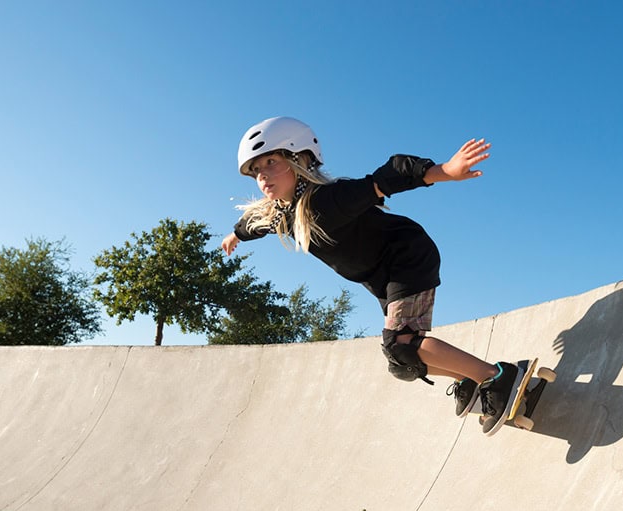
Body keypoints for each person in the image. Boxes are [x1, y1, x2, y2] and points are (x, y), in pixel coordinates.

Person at [221, 116, 524, 435]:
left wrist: (443, 171)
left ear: (300, 159)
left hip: (407, 257)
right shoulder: (282, 215)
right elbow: (253, 224)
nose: (263, 174)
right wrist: (235, 236)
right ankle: (469, 377)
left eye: (271, 161)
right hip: (383, 279)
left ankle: (497, 377)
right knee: (400, 363)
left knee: (403, 343)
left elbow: (385, 177)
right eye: (256, 170)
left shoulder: (329, 199)